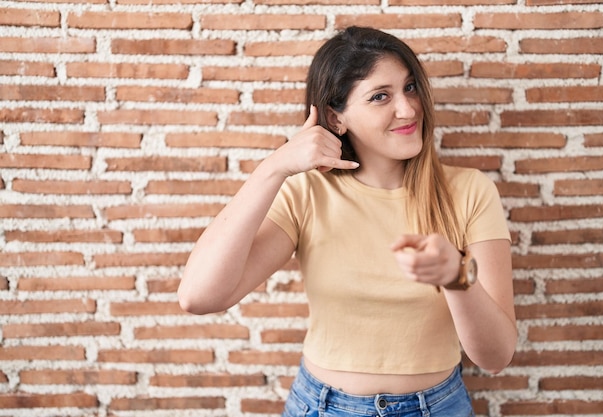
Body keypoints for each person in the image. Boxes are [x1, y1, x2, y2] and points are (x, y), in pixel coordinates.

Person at [178, 26, 517, 417]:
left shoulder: (469, 191)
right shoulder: (307, 192)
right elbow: (198, 296)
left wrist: (456, 276)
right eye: (380, 96)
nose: (408, 109)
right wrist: (274, 168)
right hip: (323, 407)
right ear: (337, 119)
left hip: (438, 407)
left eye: (410, 88)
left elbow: (496, 356)